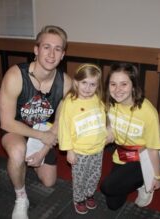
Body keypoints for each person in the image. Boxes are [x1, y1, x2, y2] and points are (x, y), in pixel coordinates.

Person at [0, 25, 72, 219]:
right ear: (36, 50)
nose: (51, 54)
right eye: (46, 47)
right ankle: (21, 198)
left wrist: (42, 151)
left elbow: (58, 125)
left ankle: (29, 160)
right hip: (17, 128)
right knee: (17, 152)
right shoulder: (15, 76)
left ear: (63, 54)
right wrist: (42, 136)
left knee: (49, 182)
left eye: (57, 49)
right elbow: (6, 122)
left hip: (45, 132)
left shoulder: (66, 84)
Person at [100, 62, 160, 210]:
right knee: (113, 205)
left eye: (124, 84)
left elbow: (154, 148)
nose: (117, 90)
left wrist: (157, 176)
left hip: (142, 157)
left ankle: (144, 182)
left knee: (106, 187)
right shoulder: (110, 103)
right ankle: (132, 181)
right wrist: (109, 128)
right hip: (121, 154)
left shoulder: (148, 112)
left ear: (133, 85)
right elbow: (107, 119)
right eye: (113, 84)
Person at [58, 63, 108, 215]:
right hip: (79, 150)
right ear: (76, 82)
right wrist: (69, 150)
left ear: (97, 85)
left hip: (98, 149)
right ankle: (79, 198)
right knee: (80, 177)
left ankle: (89, 193)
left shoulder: (98, 99)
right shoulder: (70, 103)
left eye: (92, 84)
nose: (87, 88)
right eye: (84, 83)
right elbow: (64, 128)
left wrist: (105, 135)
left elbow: (102, 118)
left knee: (95, 174)